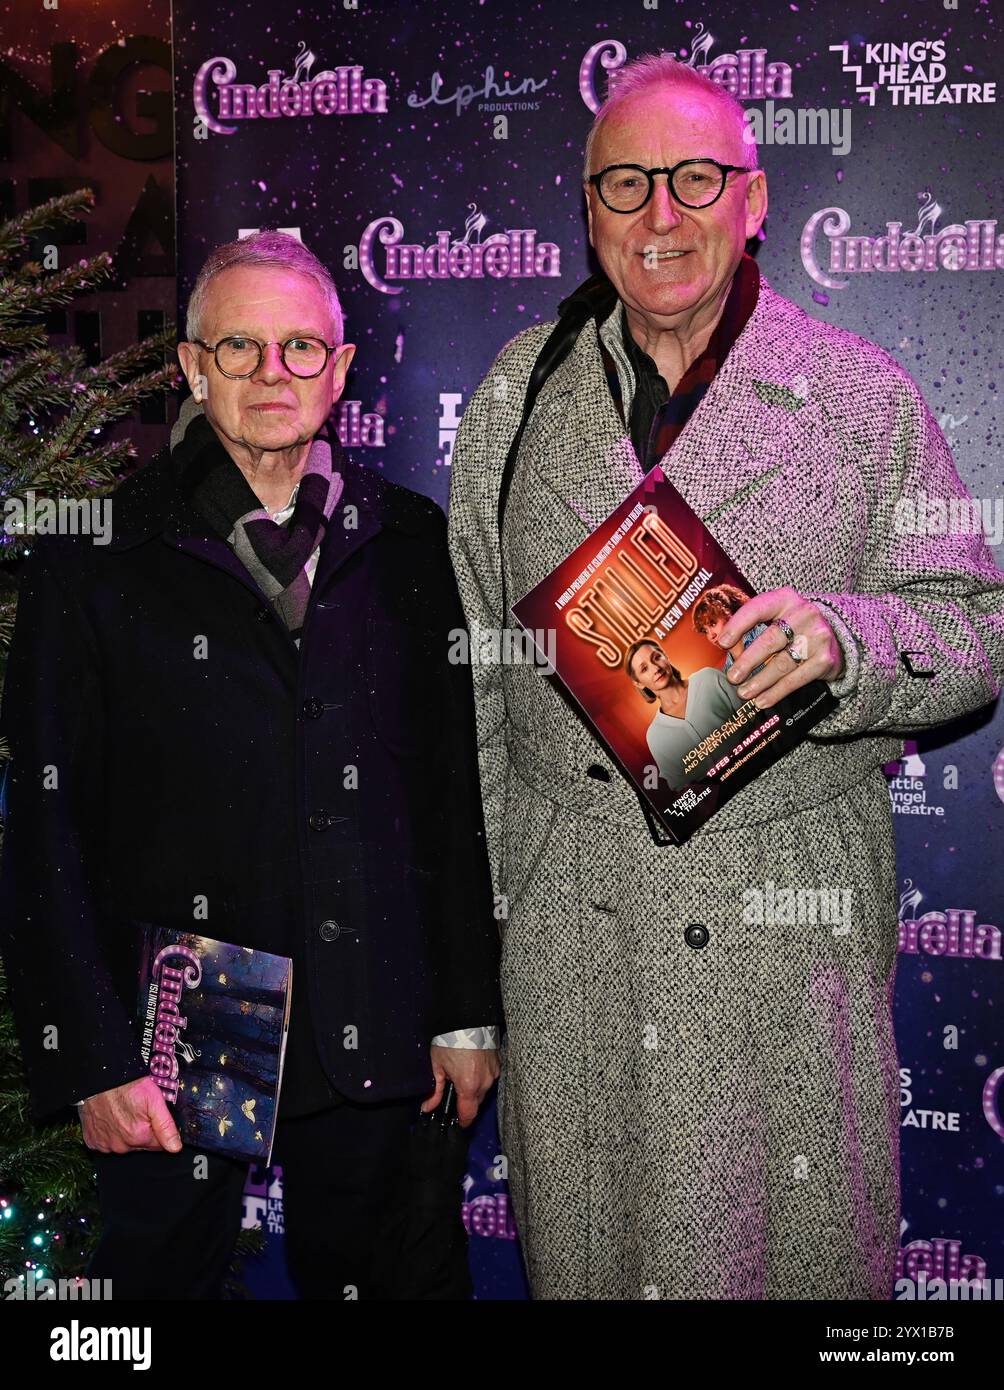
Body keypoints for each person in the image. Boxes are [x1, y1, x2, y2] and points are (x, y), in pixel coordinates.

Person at [446, 53, 1004, 1299]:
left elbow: (977, 626)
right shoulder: (512, 397)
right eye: (626, 184)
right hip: (571, 942)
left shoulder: (862, 400)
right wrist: (481, 945)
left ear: (754, 200)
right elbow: (477, 692)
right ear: (585, 212)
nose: (661, 215)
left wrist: (848, 644)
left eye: (695, 178)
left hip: (778, 944)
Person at [0, 230, 501, 1300]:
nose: (274, 375)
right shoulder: (93, 553)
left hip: (378, 1022)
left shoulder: (408, 540)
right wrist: (94, 1053)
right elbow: (44, 828)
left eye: (300, 349)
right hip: (177, 1027)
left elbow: (451, 792)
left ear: (342, 368)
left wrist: (463, 1011)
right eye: (240, 349)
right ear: (190, 367)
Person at [625, 639, 742, 787]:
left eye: (656, 657)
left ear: (665, 656)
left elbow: (753, 714)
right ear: (639, 683)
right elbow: (679, 784)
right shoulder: (655, 736)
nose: (655, 668)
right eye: (644, 669)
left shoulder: (708, 678)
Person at [692, 582, 768, 671]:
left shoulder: (762, 634)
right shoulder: (726, 673)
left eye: (713, 623)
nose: (711, 635)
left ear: (727, 613)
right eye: (705, 631)